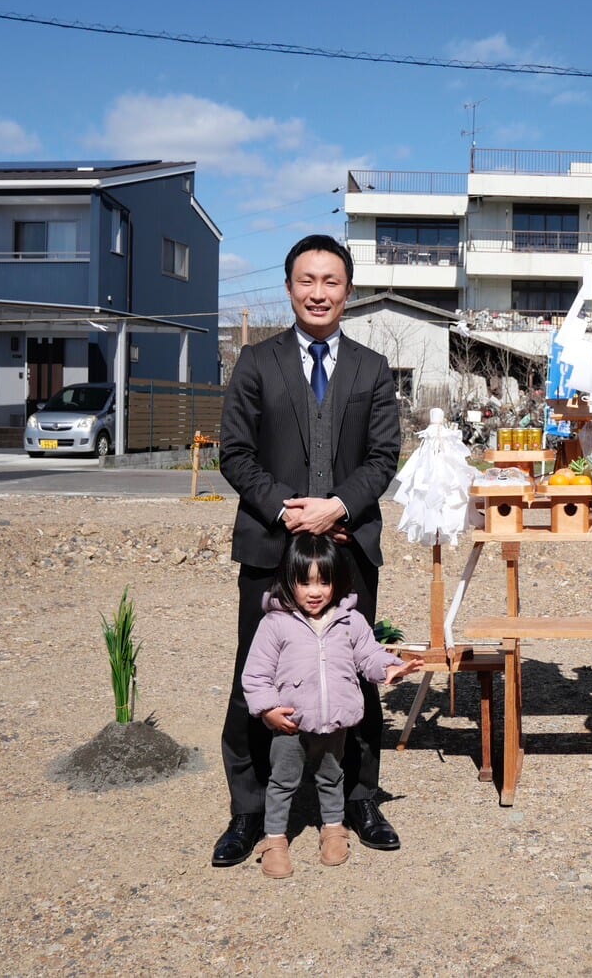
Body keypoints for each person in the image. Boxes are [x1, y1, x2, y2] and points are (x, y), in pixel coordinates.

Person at [213, 234, 402, 868]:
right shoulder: (255, 362)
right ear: (290, 287)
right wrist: (285, 507)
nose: (318, 292)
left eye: (331, 282)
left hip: (348, 545)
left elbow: (383, 459)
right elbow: (233, 451)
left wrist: (337, 506)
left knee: (357, 672)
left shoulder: (371, 369)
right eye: (306, 281)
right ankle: (249, 810)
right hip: (272, 546)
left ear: (347, 291)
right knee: (256, 676)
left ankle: (357, 798)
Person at [242, 533, 424, 879]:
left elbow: (368, 655)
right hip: (290, 722)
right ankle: (275, 839)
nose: (315, 591)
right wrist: (267, 710)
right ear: (288, 581)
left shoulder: (350, 620)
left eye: (324, 581)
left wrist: (390, 668)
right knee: (282, 781)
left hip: (334, 721)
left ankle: (333, 829)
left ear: (337, 582)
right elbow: (256, 675)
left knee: (331, 776)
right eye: (305, 582)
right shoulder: (275, 623)